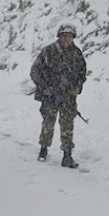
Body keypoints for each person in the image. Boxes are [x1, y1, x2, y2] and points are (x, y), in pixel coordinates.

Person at [30, 23, 86, 169]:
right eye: (64, 35)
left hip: (68, 96)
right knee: (48, 123)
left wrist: (78, 87)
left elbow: (82, 73)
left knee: (67, 125)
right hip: (51, 95)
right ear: (60, 36)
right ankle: (43, 149)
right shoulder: (48, 51)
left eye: (70, 36)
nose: (67, 39)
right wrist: (44, 88)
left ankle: (67, 155)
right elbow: (35, 71)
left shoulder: (77, 54)